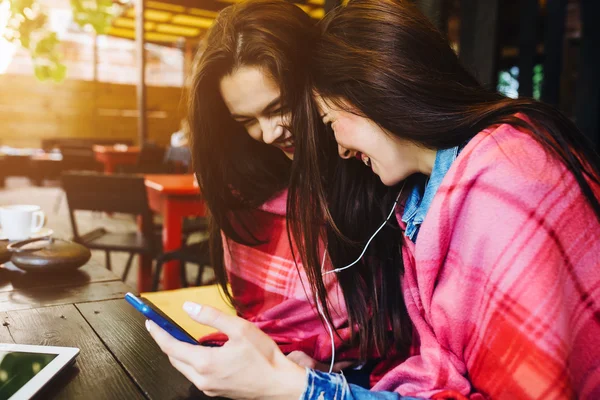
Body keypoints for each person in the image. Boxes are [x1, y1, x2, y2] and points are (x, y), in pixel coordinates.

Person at [148, 0, 600, 399]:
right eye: (247, 120)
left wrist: (301, 391)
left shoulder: (500, 178)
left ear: (370, 90)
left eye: (325, 119)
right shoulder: (426, 197)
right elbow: (441, 363)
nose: (269, 134)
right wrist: (313, 375)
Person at [150, 0, 400, 391]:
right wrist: (279, 356)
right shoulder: (243, 189)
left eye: (280, 109)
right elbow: (259, 317)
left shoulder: (379, 173)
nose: (268, 135)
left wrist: (309, 368)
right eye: (246, 120)